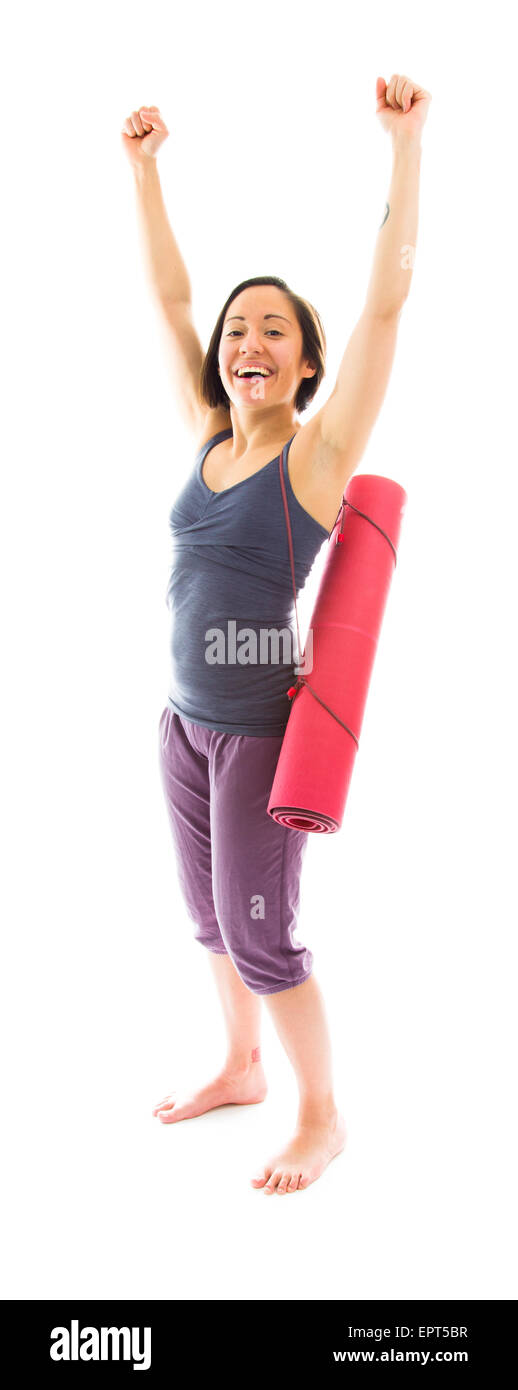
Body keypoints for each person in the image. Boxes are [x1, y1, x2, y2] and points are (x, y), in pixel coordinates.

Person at [121, 75, 430, 1194]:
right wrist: (144, 171)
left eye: (275, 330)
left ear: (303, 364)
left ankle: (322, 1114)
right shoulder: (207, 436)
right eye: (236, 328)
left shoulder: (313, 455)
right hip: (182, 725)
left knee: (264, 936)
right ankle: (240, 1064)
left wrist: (404, 147)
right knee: (205, 917)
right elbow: (167, 301)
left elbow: (385, 310)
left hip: (256, 733)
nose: (247, 338)